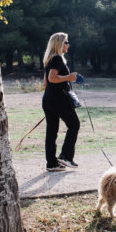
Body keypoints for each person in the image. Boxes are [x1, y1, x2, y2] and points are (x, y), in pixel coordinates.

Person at [42, 32, 80, 172]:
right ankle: (66, 156)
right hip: (58, 98)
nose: (68, 45)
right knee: (74, 124)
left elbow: (46, 82)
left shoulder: (48, 59)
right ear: (59, 44)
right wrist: (69, 77)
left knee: (52, 131)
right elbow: (52, 78)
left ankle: (52, 163)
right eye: (66, 42)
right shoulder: (57, 58)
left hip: (49, 98)